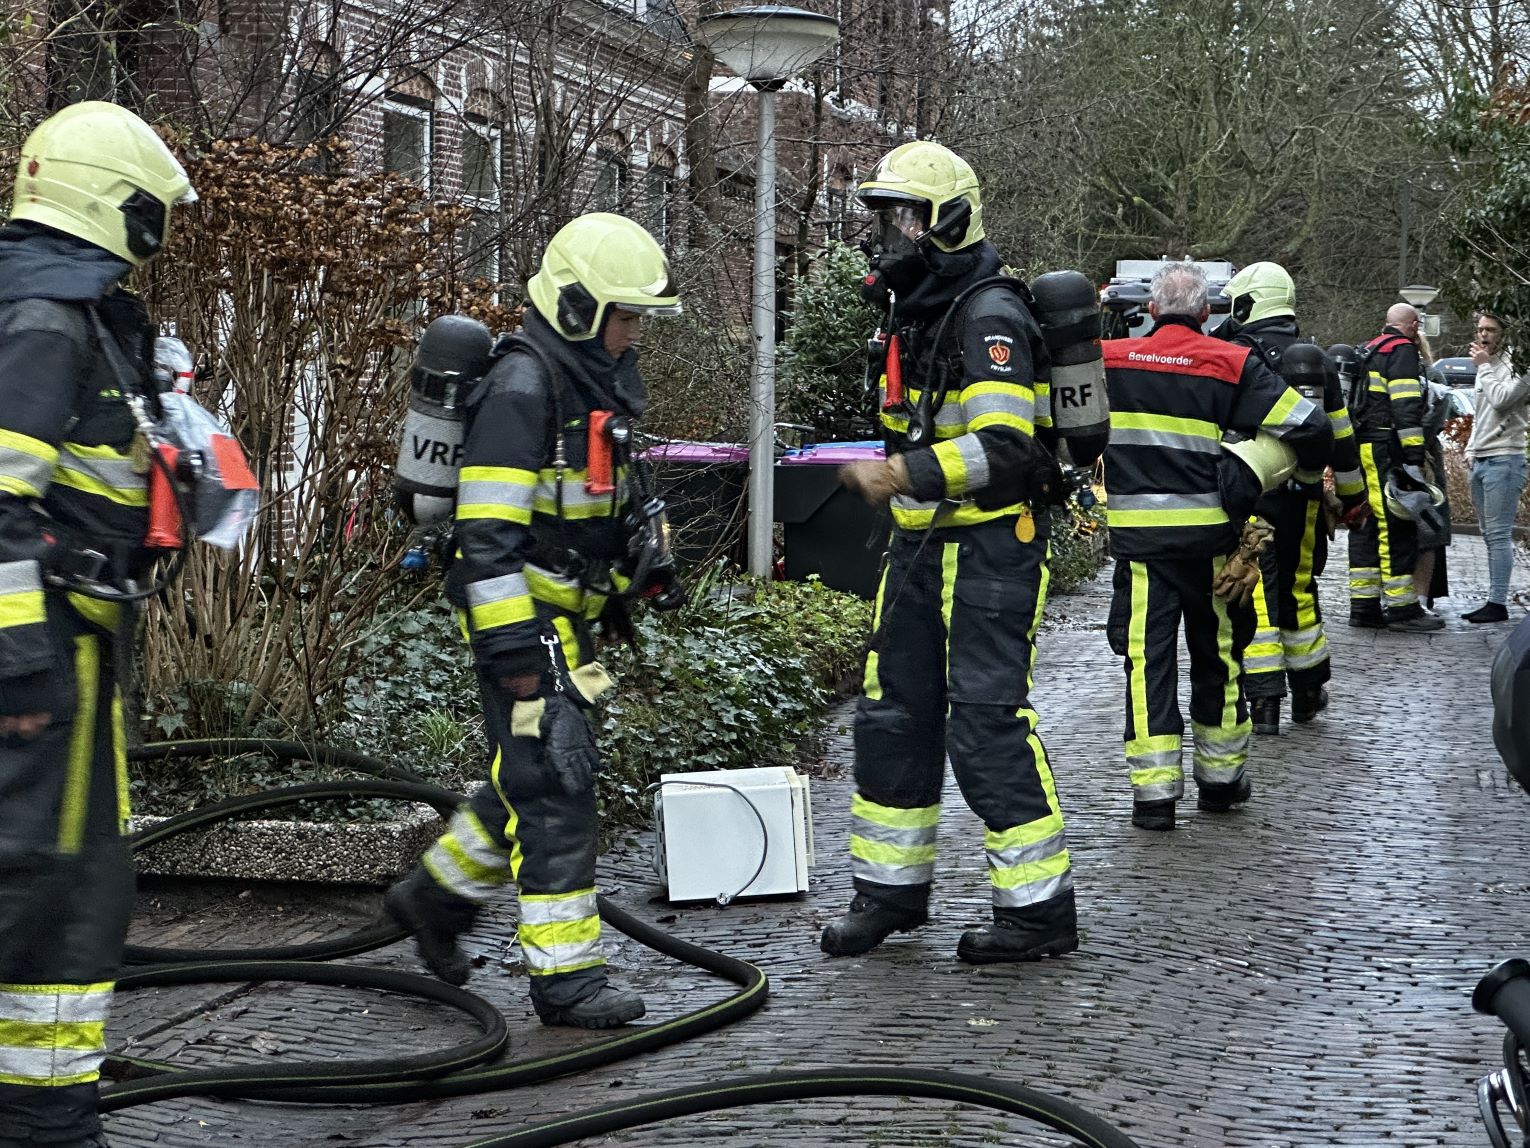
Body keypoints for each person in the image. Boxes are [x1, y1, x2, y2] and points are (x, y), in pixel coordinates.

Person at [384, 213, 683, 1029]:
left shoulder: (585, 379)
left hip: (565, 619)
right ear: (579, 305)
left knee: (530, 775)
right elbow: (485, 541)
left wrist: (623, 585)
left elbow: (583, 512)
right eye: (624, 316)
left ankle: (435, 900)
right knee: (557, 785)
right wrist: (516, 653)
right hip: (524, 619)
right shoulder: (524, 388)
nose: (631, 335)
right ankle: (566, 979)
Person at [820, 140, 1078, 965]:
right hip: (922, 550)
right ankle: (887, 894)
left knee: (985, 723)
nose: (890, 235)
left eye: (905, 217)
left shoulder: (988, 314)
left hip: (993, 546)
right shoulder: (919, 309)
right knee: (893, 716)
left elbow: (1006, 447)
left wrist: (902, 473)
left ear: (952, 221)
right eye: (883, 218)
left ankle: (1038, 911)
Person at [0, 102, 196, 1148]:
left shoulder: (69, 313)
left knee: (75, 875)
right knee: (50, 882)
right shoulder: (40, 321)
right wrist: (23, 669)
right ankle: (41, 1116)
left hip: (77, 645)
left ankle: (48, 1106)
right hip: (46, 658)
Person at [1101, 263, 1331, 831]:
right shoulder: (1231, 363)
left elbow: (1064, 426)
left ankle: (1153, 799)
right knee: (1221, 659)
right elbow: (1312, 429)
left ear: (1151, 310)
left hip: (1142, 552)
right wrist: (1252, 465)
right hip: (1212, 547)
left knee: (1144, 666)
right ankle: (1221, 783)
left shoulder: (1108, 360)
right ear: (1208, 313)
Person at [1218, 261, 1367, 734]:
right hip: (1301, 496)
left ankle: (1263, 703)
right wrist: (1353, 496)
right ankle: (1306, 692)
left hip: (1249, 494)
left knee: (1253, 590)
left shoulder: (1233, 355)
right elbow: (1341, 437)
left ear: (1246, 302)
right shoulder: (1317, 361)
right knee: (1300, 589)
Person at [1347, 304, 1441, 631]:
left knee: (1366, 522)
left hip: (1364, 446)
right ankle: (1402, 607)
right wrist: (1414, 457)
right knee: (1394, 523)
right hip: (1387, 449)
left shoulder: (1370, 348)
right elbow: (1405, 406)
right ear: (1414, 325)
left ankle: (1364, 605)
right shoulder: (1402, 351)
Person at [1464, 312, 1530, 623]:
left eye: (1490, 330)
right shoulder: (1486, 364)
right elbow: (1482, 414)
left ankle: (1497, 601)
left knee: (1500, 533)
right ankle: (1493, 599)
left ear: (1505, 333)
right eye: (1480, 329)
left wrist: (1484, 367)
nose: (1483, 335)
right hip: (1481, 458)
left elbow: (1502, 399)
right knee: (1488, 533)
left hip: (1506, 458)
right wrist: (1470, 449)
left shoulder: (1520, 366)